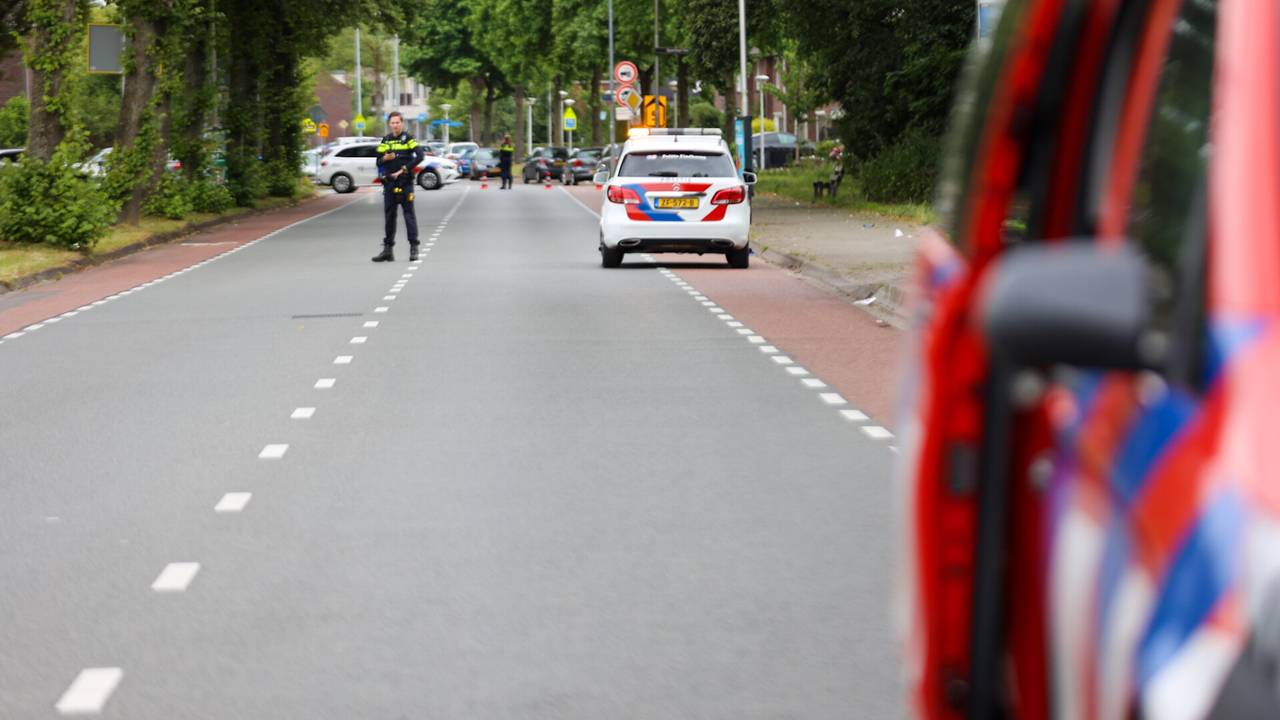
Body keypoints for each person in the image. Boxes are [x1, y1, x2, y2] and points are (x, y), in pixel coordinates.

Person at [371, 112, 425, 262]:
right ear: (389, 124)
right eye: (392, 123)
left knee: (409, 215)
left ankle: (414, 248)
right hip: (389, 183)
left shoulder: (408, 139)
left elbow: (420, 156)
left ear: (402, 123)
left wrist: (404, 170)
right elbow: (378, 161)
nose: (395, 125)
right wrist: (384, 158)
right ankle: (388, 250)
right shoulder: (386, 140)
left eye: (397, 122)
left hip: (405, 182)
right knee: (389, 216)